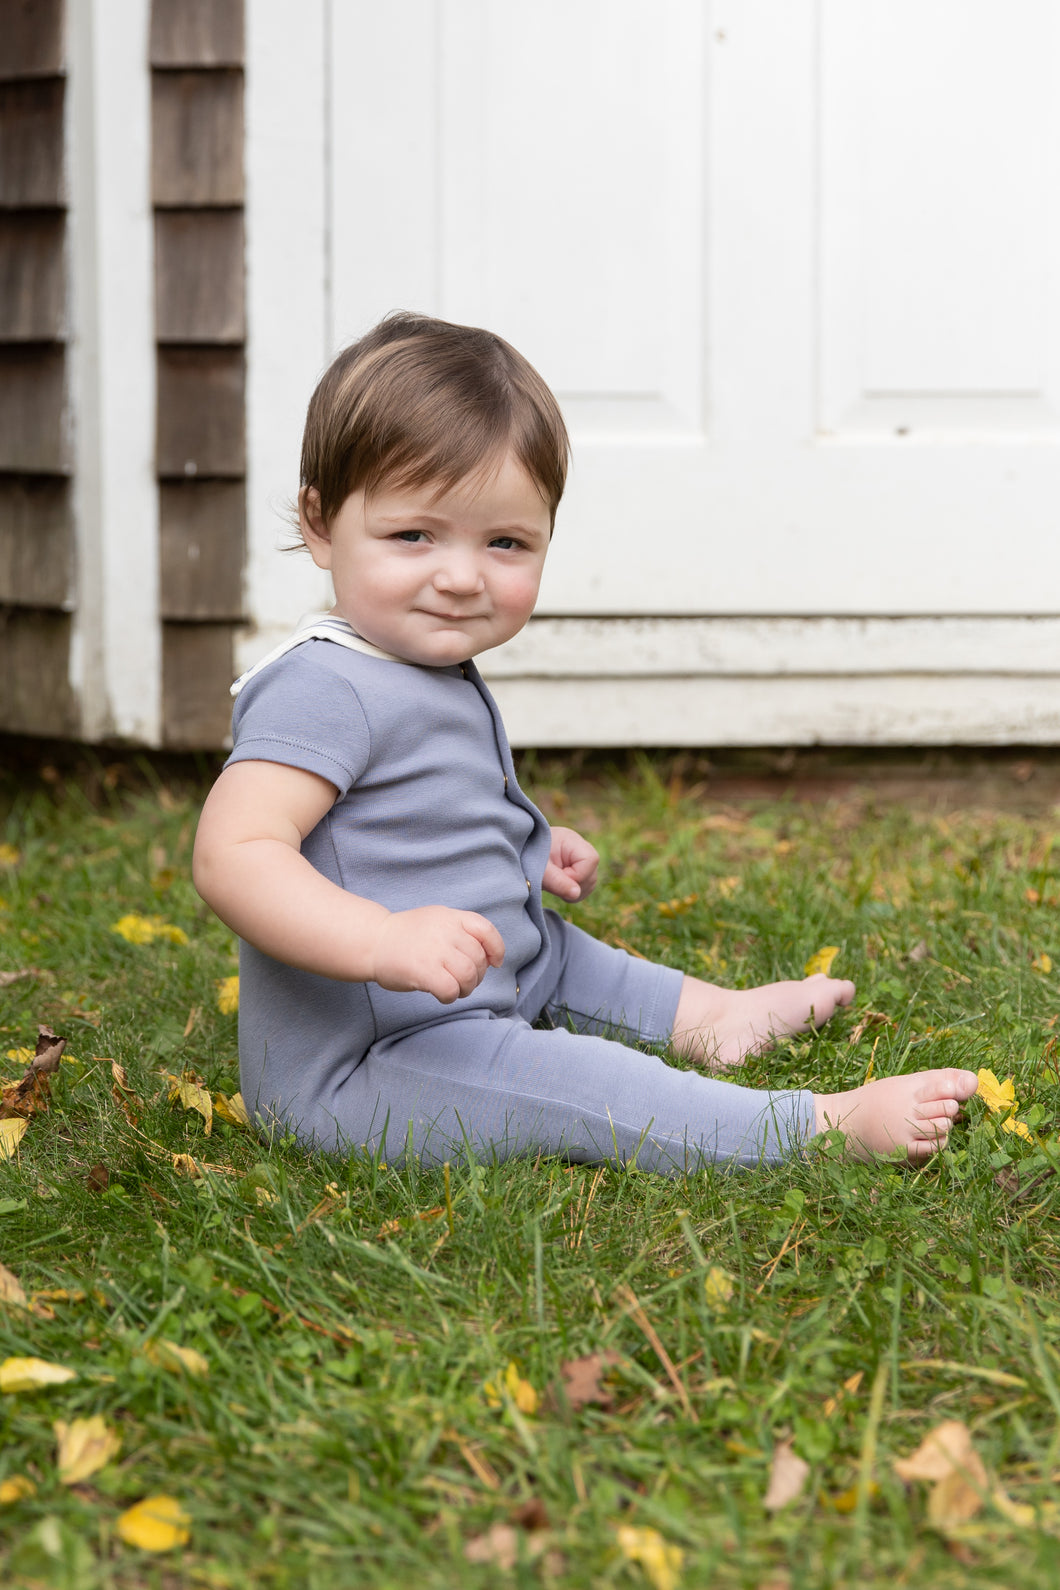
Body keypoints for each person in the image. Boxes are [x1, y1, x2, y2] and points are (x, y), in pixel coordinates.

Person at [192, 312, 978, 1174]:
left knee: (562, 952)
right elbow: (236, 854)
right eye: (413, 534)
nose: (460, 576)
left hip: (465, 983)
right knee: (574, 1079)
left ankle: (713, 1017)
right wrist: (380, 941)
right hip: (365, 1068)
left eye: (505, 542)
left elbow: (412, 817)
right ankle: (811, 1129)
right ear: (319, 523)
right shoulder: (322, 687)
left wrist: (518, 849)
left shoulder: (417, 664)